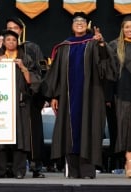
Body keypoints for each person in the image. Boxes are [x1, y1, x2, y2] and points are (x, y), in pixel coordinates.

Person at [42, 12, 118, 179]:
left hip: (91, 96)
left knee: (89, 128)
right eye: (76, 21)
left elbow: (107, 70)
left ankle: (88, 171)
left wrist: (102, 45)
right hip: (68, 98)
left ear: (87, 25)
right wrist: (54, 96)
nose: (79, 23)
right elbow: (56, 73)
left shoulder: (94, 43)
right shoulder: (64, 47)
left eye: (82, 21)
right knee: (69, 132)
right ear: (72, 25)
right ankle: (73, 170)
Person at [0, 30, 42, 179]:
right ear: (4, 42)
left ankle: (19, 171)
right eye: (8, 40)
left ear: (17, 42)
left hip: (21, 104)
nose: (11, 43)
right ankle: (0, 171)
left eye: (14, 40)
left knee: (21, 138)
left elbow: (34, 81)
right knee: (0, 139)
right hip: (1, 104)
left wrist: (23, 68)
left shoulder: (25, 58)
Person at [6, 17, 46, 178]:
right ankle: (10, 167)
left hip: (30, 98)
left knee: (32, 134)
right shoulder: (2, 49)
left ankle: (36, 166)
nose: (13, 30)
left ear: (21, 31)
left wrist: (40, 94)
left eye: (15, 28)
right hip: (8, 101)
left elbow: (41, 70)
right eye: (9, 28)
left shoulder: (32, 48)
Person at [108, 14, 131, 178]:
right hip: (122, 93)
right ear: (122, 29)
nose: (129, 30)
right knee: (125, 129)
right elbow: (109, 72)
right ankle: (129, 161)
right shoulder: (115, 46)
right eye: (127, 27)